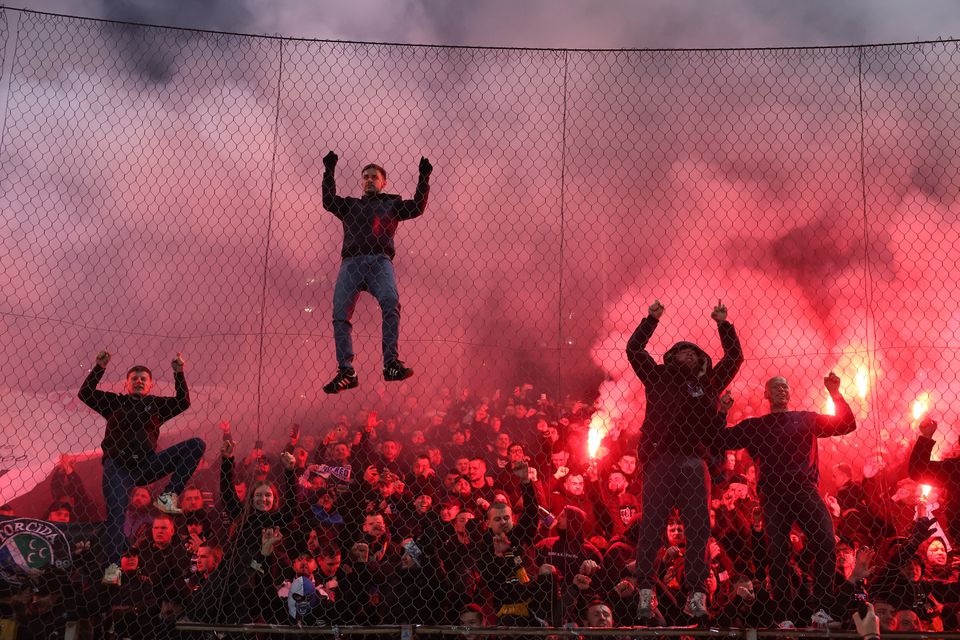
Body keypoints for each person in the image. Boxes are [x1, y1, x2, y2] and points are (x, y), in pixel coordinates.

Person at [626, 299, 743, 621]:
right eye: (682, 351)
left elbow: (734, 357)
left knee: (699, 528)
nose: (688, 354)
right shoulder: (658, 377)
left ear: (701, 360)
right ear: (671, 357)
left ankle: (696, 595)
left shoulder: (709, 383)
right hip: (661, 460)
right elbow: (634, 350)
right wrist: (651, 320)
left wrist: (723, 324)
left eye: (694, 352)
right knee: (652, 526)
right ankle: (646, 592)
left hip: (694, 460)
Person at [718, 372, 855, 626]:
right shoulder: (756, 426)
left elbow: (846, 424)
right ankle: (784, 616)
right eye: (775, 387)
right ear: (766, 394)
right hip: (773, 495)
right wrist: (722, 411)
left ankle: (821, 609)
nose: (781, 390)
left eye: (785, 386)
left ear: (790, 393)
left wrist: (835, 393)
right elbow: (721, 439)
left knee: (826, 541)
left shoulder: (806, 419)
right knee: (778, 553)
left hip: (804, 489)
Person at [78, 350, 204, 586]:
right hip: (118, 467)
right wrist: (99, 368)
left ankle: (168, 495)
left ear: (150, 385)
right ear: (126, 384)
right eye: (134, 378)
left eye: (143, 379)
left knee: (196, 445)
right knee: (116, 515)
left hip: (146, 464)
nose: (138, 381)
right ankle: (113, 569)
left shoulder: (156, 405)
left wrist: (178, 373)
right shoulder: (115, 402)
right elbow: (85, 393)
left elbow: (183, 402)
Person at [319, 151, 433, 393]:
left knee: (390, 302)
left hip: (380, 261)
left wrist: (424, 178)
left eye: (374, 177)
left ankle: (390, 363)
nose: (369, 180)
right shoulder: (350, 205)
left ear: (384, 183)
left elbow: (417, 207)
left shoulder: (392, 204)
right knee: (340, 313)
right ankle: (346, 371)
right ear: (362, 182)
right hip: (351, 262)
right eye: (366, 177)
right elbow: (329, 201)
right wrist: (329, 172)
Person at [908, 416, 960, 547]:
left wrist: (926, 437)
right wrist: (926, 438)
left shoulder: (954, 468)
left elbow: (917, 470)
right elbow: (918, 470)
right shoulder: (955, 468)